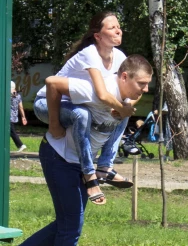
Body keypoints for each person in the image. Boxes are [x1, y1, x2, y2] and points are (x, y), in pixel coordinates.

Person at [0, 55, 153, 246]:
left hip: (82, 162)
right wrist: (55, 124)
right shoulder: (93, 89)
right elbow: (52, 83)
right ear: (124, 77)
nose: (145, 90)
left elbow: (128, 104)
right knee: (72, 225)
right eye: (142, 84)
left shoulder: (124, 102)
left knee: (68, 223)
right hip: (60, 157)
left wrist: (104, 161)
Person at [33, 11, 136, 205]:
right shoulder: (91, 54)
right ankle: (89, 176)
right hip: (48, 103)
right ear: (98, 36)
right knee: (83, 114)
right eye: (112, 27)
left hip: (76, 101)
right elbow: (103, 94)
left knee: (123, 111)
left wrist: (125, 108)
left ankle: (105, 166)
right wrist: (54, 124)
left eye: (119, 26)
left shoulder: (120, 57)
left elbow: (130, 90)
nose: (118, 30)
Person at [10, 81, 27, 152]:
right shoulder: (18, 96)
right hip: (14, 116)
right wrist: (23, 117)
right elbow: (21, 107)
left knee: (12, 132)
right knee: (9, 131)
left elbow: (12, 94)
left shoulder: (9, 94)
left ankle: (21, 145)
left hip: (8, 116)